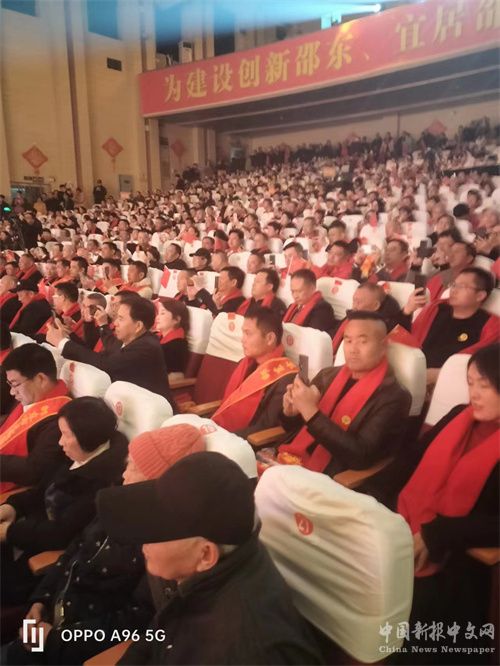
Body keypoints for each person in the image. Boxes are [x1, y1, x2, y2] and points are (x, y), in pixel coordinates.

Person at [1, 424, 205, 666]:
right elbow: (74, 550)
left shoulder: (163, 549)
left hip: (80, 644)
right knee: (16, 653)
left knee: (16, 656)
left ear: (157, 482)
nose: (124, 475)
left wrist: (56, 640)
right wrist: (41, 601)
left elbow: (136, 621)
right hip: (55, 616)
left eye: (133, 467)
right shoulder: (116, 504)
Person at [97, 451, 323, 666]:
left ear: (205, 555)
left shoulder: (242, 652)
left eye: (158, 531)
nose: (142, 538)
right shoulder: (214, 567)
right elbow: (162, 631)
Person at [397, 345, 499, 656]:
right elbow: (411, 459)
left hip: (463, 555)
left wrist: (438, 533)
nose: (474, 394)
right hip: (413, 526)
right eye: (470, 383)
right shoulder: (459, 415)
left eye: (485, 385)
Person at [0, 397, 127, 606]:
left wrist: (10, 532)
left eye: (66, 435)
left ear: (86, 437)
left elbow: (61, 534)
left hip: (43, 557)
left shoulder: (102, 483)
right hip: (27, 529)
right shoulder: (74, 455)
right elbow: (41, 491)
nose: (60, 442)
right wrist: (12, 506)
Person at [277, 312, 411, 496]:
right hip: (292, 460)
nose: (353, 349)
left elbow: (360, 456)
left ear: (383, 346)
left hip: (335, 482)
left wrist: (310, 412)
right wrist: (290, 413)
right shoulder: (328, 376)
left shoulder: (394, 397)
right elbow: (297, 428)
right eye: (348, 340)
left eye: (362, 341)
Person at [47, 293, 175, 404]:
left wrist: (62, 343)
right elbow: (111, 344)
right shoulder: (130, 338)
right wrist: (101, 325)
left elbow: (106, 364)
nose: (115, 323)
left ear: (138, 326)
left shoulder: (147, 347)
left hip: (149, 411)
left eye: (121, 319)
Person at [402, 267, 498, 386]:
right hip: (410, 370)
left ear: (480, 295)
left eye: (462, 286)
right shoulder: (436, 309)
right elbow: (407, 338)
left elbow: (481, 367)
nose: (453, 290)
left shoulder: (489, 327)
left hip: (446, 384)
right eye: (454, 285)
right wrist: (406, 312)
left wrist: (442, 374)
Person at [212, 308, 297, 438]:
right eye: (243, 333)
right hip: (224, 431)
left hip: (245, 441)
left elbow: (266, 427)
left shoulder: (286, 378)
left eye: (248, 334)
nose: (242, 339)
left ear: (270, 338)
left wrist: (221, 437)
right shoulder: (246, 363)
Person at [0, 345, 71, 492]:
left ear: (40, 379)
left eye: (15, 384)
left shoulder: (60, 420)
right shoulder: (33, 395)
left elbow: (34, 471)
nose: (12, 392)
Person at [331, 282, 403, 355]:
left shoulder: (379, 329)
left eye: (359, 302)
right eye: (354, 301)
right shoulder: (353, 315)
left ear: (375, 306)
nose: (354, 306)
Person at [283, 269, 337, 335]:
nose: (295, 296)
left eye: (299, 291)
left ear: (312, 288)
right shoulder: (293, 306)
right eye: (293, 291)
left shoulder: (323, 309)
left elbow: (312, 336)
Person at [155, 298, 190, 375]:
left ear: (176, 319)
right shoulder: (157, 337)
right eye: (158, 313)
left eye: (162, 313)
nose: (157, 317)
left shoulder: (177, 346)